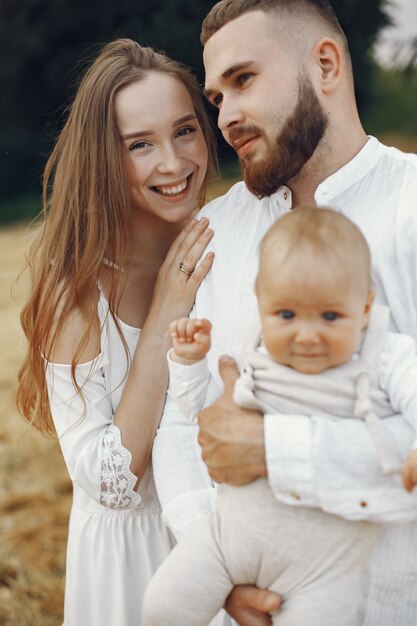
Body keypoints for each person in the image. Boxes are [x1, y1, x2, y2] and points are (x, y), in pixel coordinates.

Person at [151, 1, 417, 625]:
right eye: (216, 100)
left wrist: (276, 450)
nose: (227, 117)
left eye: (243, 81)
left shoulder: (413, 209)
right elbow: (178, 422)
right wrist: (215, 565)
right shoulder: (212, 230)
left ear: (325, 64)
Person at [16, 38, 218, 626]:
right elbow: (110, 478)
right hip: (133, 566)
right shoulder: (77, 293)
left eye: (185, 131)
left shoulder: (221, 246)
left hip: (218, 540)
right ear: (104, 159)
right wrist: (163, 314)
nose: (174, 163)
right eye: (140, 145)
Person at [144, 207, 417, 626]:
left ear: (364, 308)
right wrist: (189, 362)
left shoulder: (384, 356)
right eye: (286, 315)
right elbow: (203, 415)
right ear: (261, 301)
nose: (307, 336)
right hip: (229, 538)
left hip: (323, 569)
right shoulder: (259, 356)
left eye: (330, 316)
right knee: (161, 608)